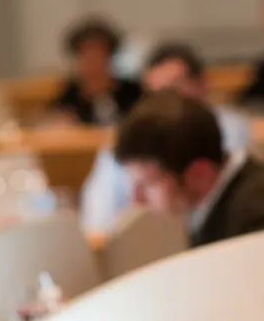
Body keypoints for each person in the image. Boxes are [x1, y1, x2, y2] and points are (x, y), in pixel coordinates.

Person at [115, 90, 264, 308]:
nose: (138, 199)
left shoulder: (259, 209)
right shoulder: (217, 200)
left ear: (199, 175)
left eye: (148, 184)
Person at [80, 41, 252, 232]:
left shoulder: (230, 131)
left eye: (173, 89)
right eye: (154, 93)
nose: (165, 101)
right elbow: (98, 220)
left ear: (202, 85)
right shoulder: (131, 137)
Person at [51, 16, 143, 126]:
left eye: (99, 56)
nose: (93, 65)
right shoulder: (69, 98)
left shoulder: (132, 92)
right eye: (87, 57)